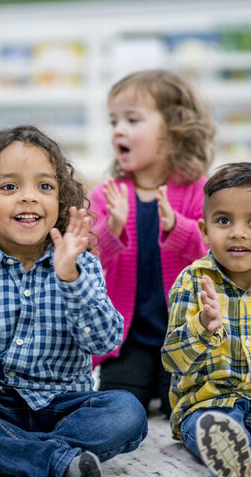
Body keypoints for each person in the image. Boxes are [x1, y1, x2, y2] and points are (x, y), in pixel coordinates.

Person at [0, 125, 147, 477]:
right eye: (10, 186)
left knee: (127, 411)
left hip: (65, 408)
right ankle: (54, 462)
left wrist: (71, 279)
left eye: (45, 186)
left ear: (61, 200)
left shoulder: (81, 263)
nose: (29, 197)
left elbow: (105, 340)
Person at [90, 69, 216, 416]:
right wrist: (111, 230)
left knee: (188, 405)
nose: (118, 129)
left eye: (132, 119)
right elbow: (86, 262)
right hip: (128, 341)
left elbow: (217, 259)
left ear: (174, 131)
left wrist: (179, 227)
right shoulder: (106, 195)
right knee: (119, 405)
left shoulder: (199, 192)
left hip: (185, 335)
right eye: (113, 120)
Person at [162, 162, 251, 477]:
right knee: (213, 428)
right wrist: (201, 327)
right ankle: (235, 458)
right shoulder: (192, 281)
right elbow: (172, 361)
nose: (238, 232)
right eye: (224, 220)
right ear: (205, 231)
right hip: (209, 405)